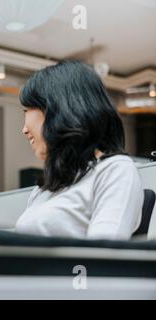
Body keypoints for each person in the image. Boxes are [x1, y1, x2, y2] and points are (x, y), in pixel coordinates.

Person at [15, 60, 143, 240]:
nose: (24, 129)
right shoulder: (44, 188)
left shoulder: (115, 170)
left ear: (58, 110)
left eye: (27, 111)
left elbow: (102, 257)